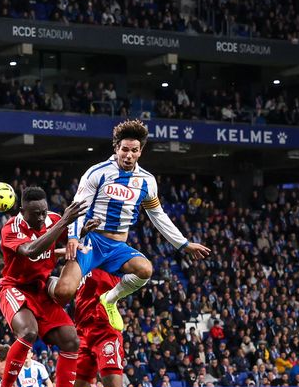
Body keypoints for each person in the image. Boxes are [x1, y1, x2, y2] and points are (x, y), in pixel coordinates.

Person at [50, 119, 210, 329]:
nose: (129, 155)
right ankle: (45, 281)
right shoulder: (97, 173)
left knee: (145, 270)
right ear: (116, 148)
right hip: (91, 242)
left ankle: (110, 300)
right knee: (64, 292)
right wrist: (73, 237)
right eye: (124, 149)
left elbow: (157, 215)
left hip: (117, 247)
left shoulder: (147, 181)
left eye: (134, 150)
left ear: (141, 151)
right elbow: (78, 207)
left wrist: (184, 244)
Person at [0, 187, 90, 387]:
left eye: (45, 211)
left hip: (41, 289)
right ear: (23, 211)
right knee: (28, 332)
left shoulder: (53, 219)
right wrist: (64, 222)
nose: (42, 217)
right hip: (14, 287)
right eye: (36, 213)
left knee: (71, 341)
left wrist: (82, 230)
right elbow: (31, 250)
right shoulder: (11, 228)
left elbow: (67, 238)